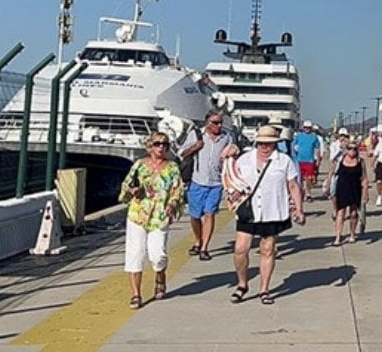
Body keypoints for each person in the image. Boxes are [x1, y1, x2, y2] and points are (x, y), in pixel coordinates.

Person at [226, 124, 304, 305]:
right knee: (240, 249)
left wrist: (298, 208)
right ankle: (242, 283)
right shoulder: (244, 159)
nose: (264, 147)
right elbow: (231, 180)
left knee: (267, 250)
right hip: (248, 210)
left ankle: (264, 289)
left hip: (273, 210)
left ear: (275, 144)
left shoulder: (283, 161)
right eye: (261, 143)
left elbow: (293, 186)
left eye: (268, 143)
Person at [119, 132, 185, 309]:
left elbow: (178, 189)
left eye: (165, 144)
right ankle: (135, 294)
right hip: (138, 213)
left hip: (160, 214)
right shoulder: (140, 165)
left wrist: (172, 204)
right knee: (136, 252)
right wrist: (132, 192)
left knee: (158, 254)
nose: (161, 147)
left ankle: (160, 277)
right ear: (150, 147)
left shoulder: (172, 168)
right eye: (157, 144)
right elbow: (126, 185)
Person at [176, 111, 230, 260]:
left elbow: (232, 154)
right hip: (197, 180)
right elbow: (181, 153)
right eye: (215, 122)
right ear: (207, 123)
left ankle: (205, 247)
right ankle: (198, 240)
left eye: (220, 122)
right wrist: (195, 148)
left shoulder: (226, 137)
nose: (219, 126)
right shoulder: (196, 135)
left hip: (216, 183)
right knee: (195, 216)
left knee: (209, 214)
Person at [329, 140, 369, 245]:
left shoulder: (360, 161)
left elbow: (364, 177)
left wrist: (365, 192)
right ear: (346, 149)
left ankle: (352, 234)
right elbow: (332, 172)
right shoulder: (340, 159)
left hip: (355, 189)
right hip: (342, 189)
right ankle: (338, 237)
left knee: (353, 213)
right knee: (340, 212)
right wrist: (328, 185)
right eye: (350, 148)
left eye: (355, 149)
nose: (352, 151)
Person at [291, 120, 322, 202]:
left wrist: (318, 159)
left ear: (311, 128)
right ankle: (300, 193)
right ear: (303, 128)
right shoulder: (298, 136)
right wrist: (293, 157)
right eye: (305, 127)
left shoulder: (314, 137)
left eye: (308, 128)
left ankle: (308, 193)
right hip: (299, 160)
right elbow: (293, 146)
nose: (307, 129)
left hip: (310, 160)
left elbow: (317, 148)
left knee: (309, 179)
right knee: (299, 179)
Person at [323, 128, 350, 197]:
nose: (343, 138)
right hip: (336, 170)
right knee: (333, 192)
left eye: (345, 136)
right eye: (341, 136)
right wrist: (341, 149)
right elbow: (332, 158)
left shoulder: (350, 145)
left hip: (347, 170)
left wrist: (347, 148)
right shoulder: (334, 145)